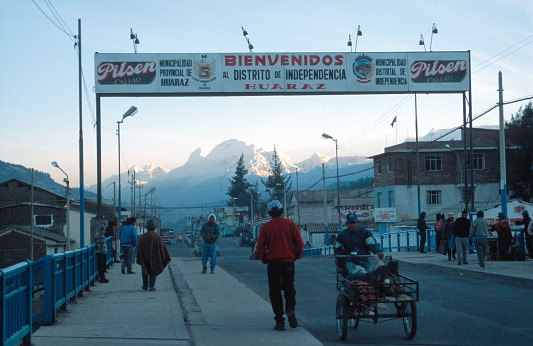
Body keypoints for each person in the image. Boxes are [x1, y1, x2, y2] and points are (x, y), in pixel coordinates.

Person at [256, 200, 304, 331]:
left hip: (273, 263)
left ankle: (279, 321)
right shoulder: (290, 224)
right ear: (282, 211)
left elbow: (260, 246)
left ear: (269, 213)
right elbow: (300, 243)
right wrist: (296, 256)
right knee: (289, 289)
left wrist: (264, 259)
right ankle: (290, 309)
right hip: (288, 262)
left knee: (275, 291)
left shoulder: (266, 227)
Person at [136, 219, 171, 291]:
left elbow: (139, 248)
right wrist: (162, 256)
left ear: (147, 228)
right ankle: (151, 286)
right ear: (154, 228)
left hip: (144, 257)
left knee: (144, 269)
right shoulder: (157, 237)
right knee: (154, 270)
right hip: (155, 257)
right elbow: (162, 248)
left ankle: (145, 285)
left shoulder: (142, 237)